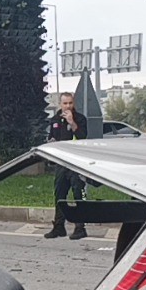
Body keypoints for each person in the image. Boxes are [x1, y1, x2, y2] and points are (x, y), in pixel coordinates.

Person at [45, 92, 89, 240]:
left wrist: (72, 122)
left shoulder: (80, 119)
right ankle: (59, 226)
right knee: (59, 195)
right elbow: (52, 137)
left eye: (70, 103)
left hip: (75, 163)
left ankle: (80, 228)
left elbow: (83, 136)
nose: (68, 106)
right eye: (65, 103)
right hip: (61, 163)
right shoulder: (55, 120)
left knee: (78, 195)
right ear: (60, 104)